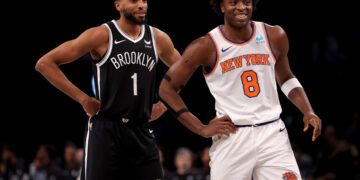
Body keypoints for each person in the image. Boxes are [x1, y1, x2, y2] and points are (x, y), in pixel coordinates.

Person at [159, 0, 322, 179]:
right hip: (232, 136)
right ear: (221, 6)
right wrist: (201, 128)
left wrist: (307, 110)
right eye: (233, 2)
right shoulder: (206, 45)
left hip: (272, 133)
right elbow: (167, 88)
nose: (241, 7)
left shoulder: (274, 35)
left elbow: (286, 78)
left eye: (246, 2)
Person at [35, 0, 182, 179]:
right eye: (134, 0)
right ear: (118, 5)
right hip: (106, 128)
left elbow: (183, 70)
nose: (142, 5)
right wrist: (83, 99)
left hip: (141, 129)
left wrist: (164, 104)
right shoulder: (101, 34)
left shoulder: (157, 38)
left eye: (144, 0)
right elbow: (45, 64)